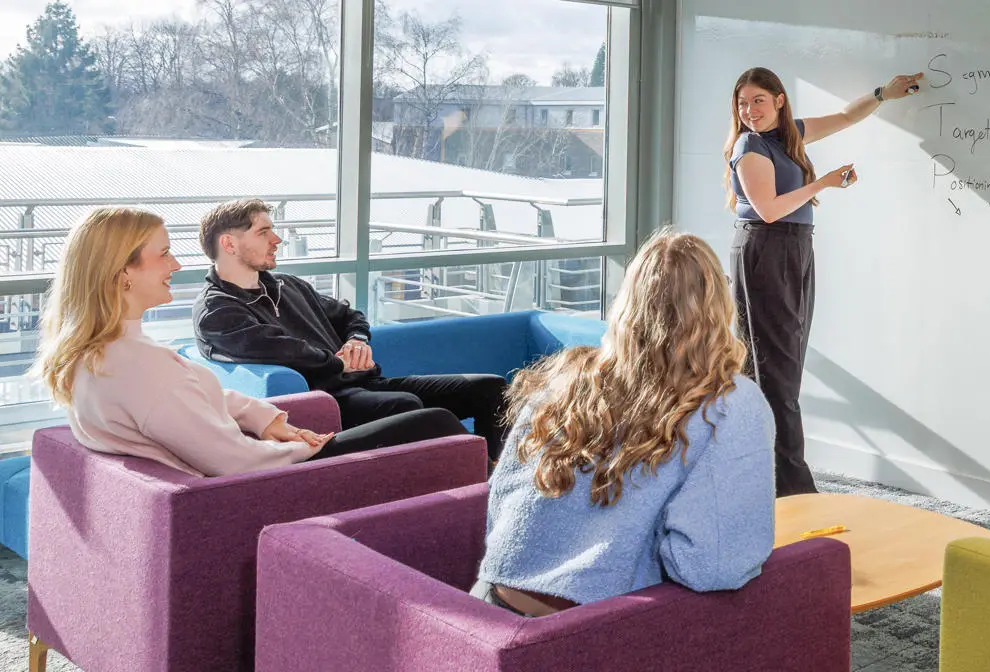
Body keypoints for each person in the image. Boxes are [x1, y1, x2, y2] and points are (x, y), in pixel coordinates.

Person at [31, 207, 469, 478]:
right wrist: (301, 446)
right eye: (164, 253)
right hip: (270, 483)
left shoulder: (104, 353)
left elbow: (191, 397)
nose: (177, 263)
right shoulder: (140, 365)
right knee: (434, 423)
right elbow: (236, 462)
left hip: (260, 459)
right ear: (123, 272)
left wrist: (266, 419)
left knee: (434, 415)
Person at [470, 230, 775, 616]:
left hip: (488, 609)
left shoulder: (565, 376)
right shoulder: (730, 403)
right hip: (584, 632)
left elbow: (500, 504)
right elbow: (713, 566)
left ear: (628, 300)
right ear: (717, 305)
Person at [726, 66, 924, 496]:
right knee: (775, 371)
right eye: (742, 103)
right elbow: (769, 210)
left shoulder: (789, 136)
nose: (749, 110)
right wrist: (825, 183)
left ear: (779, 100)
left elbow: (846, 117)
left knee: (780, 365)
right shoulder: (750, 146)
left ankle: (756, 475)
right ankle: (793, 488)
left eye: (758, 100)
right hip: (766, 248)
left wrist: (882, 93)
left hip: (795, 248)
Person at [189, 198, 512, 460]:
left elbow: (349, 315)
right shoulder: (217, 310)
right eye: (264, 232)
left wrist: (357, 340)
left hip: (368, 383)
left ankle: (500, 469)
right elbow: (277, 346)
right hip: (328, 399)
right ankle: (475, 475)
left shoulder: (289, 286)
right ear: (229, 243)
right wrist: (339, 362)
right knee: (404, 406)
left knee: (490, 387)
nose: (277, 239)